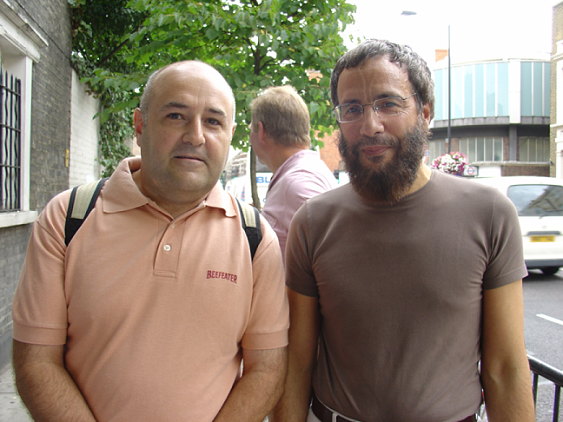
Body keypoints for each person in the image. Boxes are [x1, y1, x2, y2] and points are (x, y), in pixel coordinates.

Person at [272, 40, 535, 422]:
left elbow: (507, 369)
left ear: (425, 112)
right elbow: (296, 364)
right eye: (352, 109)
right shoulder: (312, 223)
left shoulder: (490, 214)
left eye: (388, 104)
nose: (369, 125)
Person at [12, 60, 289, 422]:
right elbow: (36, 360)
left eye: (213, 121)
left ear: (230, 134)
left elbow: (266, 370)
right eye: (176, 116)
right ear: (140, 125)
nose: (195, 136)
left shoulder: (255, 238)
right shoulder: (68, 218)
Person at [249, 85, 337, 259]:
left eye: (251, 129)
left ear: (261, 131)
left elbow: (336, 252)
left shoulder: (296, 184)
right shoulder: (306, 171)